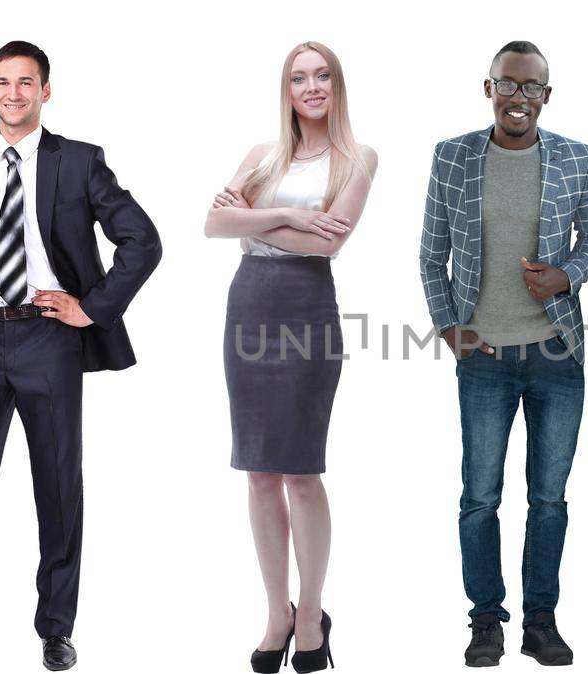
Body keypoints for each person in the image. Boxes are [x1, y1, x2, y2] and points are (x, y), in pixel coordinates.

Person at [0, 40, 161, 672]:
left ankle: (55, 627)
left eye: (26, 83)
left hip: (48, 337)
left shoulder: (77, 162)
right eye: (2, 82)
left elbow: (142, 239)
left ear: (46, 91)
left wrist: (90, 307)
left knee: (56, 484)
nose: (13, 93)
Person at [418, 40, 588, 668]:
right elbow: (431, 254)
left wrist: (567, 275)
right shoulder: (452, 158)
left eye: (531, 88)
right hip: (484, 358)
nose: (518, 98)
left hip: (557, 352)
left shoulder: (576, 159)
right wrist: (450, 328)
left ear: (546, 97)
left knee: (549, 498)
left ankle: (541, 621)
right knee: (480, 495)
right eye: (508, 84)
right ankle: (484, 621)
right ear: (489, 88)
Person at [203, 40, 378, 674]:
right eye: (299, 77)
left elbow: (329, 247)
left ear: (337, 86)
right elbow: (211, 225)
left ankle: (312, 612)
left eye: (321, 76)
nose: (311, 87)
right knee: (258, 471)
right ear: (287, 89)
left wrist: (250, 216)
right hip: (249, 304)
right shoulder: (261, 156)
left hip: (306, 311)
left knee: (301, 470)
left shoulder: (357, 158)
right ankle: (276, 611)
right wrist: (281, 214)